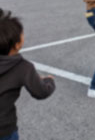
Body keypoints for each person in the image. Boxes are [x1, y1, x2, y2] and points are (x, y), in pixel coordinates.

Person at [0, 9, 55, 140]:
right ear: (17, 44)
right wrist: (49, 81)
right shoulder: (23, 67)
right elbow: (40, 92)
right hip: (4, 129)